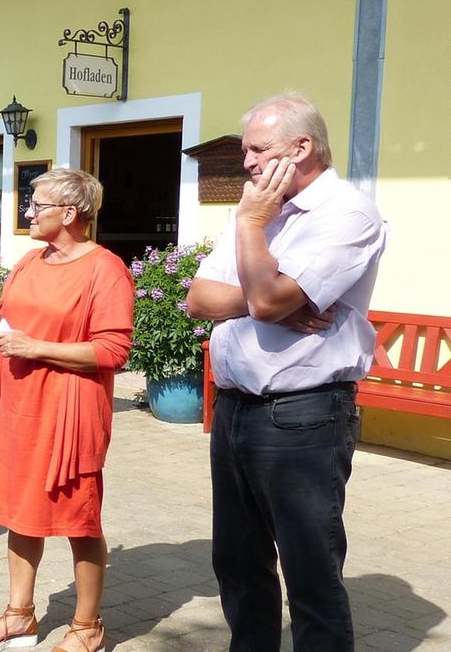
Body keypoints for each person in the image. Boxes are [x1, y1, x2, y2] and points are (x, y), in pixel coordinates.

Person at [188, 92, 387, 652]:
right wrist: (265, 295)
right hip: (234, 412)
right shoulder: (259, 209)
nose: (247, 162)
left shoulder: (346, 213)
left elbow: (270, 299)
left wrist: (253, 232)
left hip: (303, 416)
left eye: (258, 149)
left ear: (302, 147)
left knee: (310, 576)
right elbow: (199, 299)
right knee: (239, 565)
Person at [0, 167, 133, 652]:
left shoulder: (105, 268)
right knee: (21, 514)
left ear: (69, 213)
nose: (28, 212)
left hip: (70, 412)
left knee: (80, 519)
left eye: (36, 204)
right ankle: (19, 616)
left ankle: (86, 627)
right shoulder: (30, 262)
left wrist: (37, 348)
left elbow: (113, 351)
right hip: (20, 406)